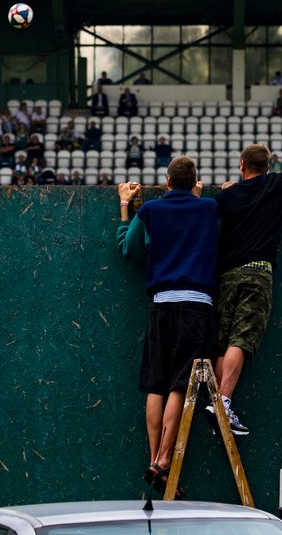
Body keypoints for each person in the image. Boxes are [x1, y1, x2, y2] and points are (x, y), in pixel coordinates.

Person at [116, 156, 218, 497]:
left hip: (161, 304)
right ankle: (162, 460)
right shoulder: (208, 209)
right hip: (197, 305)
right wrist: (198, 197)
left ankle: (153, 459)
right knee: (180, 383)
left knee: (156, 384)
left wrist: (124, 207)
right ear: (195, 182)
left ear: (167, 181)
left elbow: (129, 249)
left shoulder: (151, 211)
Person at [210, 145, 282, 435]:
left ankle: (219, 403)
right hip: (257, 272)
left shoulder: (226, 196)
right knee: (242, 339)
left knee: (224, 342)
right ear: (267, 165)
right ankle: (223, 402)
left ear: (241, 166)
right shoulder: (277, 184)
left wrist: (230, 190)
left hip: (226, 275)